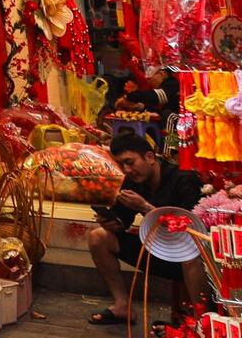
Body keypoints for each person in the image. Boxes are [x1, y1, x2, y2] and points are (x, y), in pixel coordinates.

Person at [88, 133, 206, 325]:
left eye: (130, 162)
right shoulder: (133, 181)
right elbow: (123, 219)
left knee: (191, 255)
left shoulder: (184, 178)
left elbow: (191, 227)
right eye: (121, 165)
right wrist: (112, 222)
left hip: (185, 254)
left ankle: (203, 322)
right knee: (98, 237)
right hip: (156, 250)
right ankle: (122, 306)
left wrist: (145, 207)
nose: (127, 170)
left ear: (149, 157)